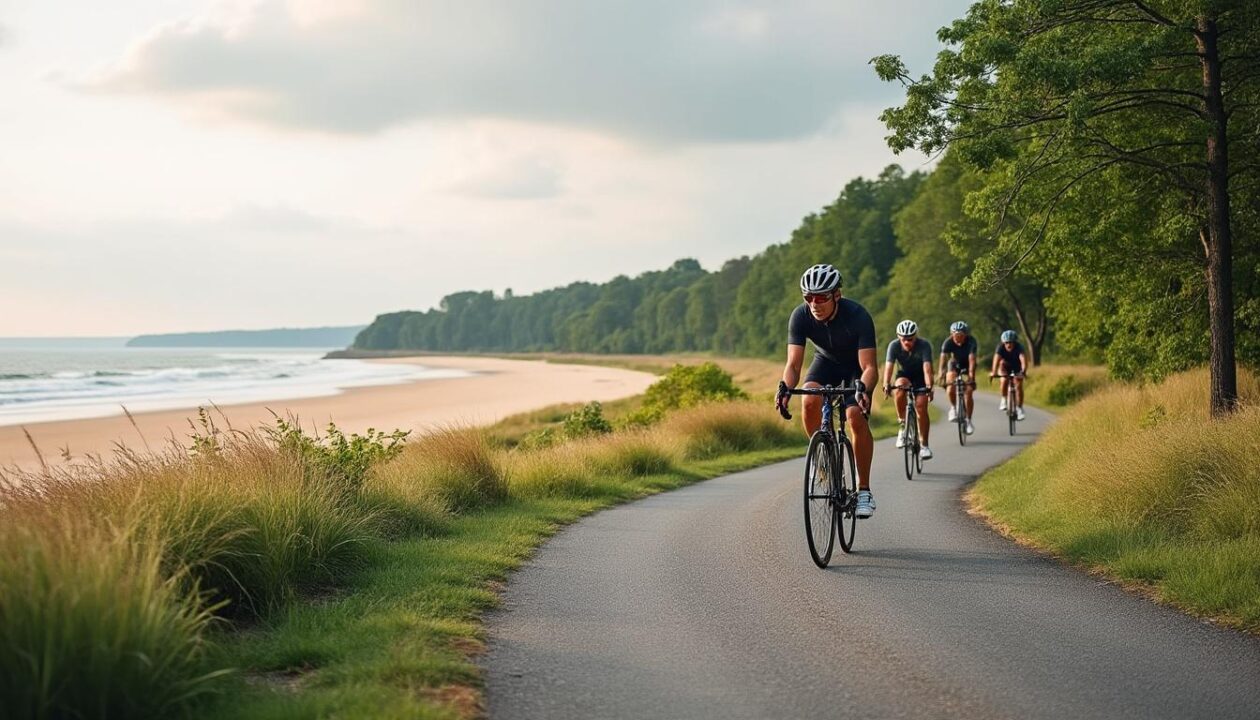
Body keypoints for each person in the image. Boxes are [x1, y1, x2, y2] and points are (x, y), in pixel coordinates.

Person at [775, 264, 878, 518]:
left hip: (855, 369)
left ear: (837, 295)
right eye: (808, 297)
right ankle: (822, 457)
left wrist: (863, 389)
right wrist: (785, 388)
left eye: (821, 298)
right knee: (810, 399)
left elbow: (869, 367)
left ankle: (864, 491)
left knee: (854, 416)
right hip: (825, 363)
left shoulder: (858, 315)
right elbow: (793, 365)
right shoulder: (800, 316)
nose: (814, 304)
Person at [882, 319, 934, 460]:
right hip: (904, 375)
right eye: (903, 339)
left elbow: (927, 369)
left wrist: (929, 386)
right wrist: (886, 383)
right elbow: (889, 367)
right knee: (899, 388)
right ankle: (902, 426)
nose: (907, 342)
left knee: (921, 407)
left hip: (920, 377)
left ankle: (924, 445)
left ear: (915, 336)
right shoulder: (893, 346)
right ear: (898, 337)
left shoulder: (924, 345)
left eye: (910, 339)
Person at [938, 320, 977, 435]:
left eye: (960, 335)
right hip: (954, 364)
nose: (957, 338)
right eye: (955, 335)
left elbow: (972, 360)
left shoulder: (971, 342)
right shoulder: (948, 342)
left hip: (967, 364)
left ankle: (968, 420)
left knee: (968, 391)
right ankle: (953, 408)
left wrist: (971, 376)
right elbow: (943, 359)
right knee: (950, 385)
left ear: (965, 335)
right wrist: (941, 373)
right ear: (951, 334)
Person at [990, 329, 1029, 420]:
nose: (1008, 345)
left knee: (1018, 386)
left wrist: (1023, 371)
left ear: (1014, 342)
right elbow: (996, 360)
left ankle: (1019, 408)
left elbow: (1023, 359)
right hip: (1004, 367)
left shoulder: (1019, 347)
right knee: (1004, 380)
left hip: (1017, 367)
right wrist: (994, 372)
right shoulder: (1000, 347)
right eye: (1006, 342)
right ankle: (1003, 399)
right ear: (1003, 343)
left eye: (1011, 342)